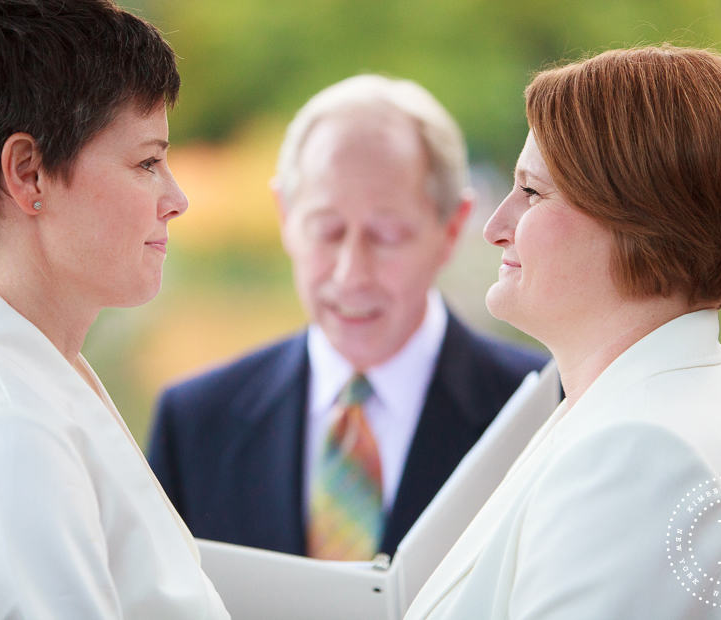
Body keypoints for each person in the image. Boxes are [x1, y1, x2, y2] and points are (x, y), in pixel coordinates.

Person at [405, 45, 721, 619]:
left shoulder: (642, 458)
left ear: (641, 221)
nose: (495, 226)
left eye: (532, 192)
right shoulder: (671, 412)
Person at [0, 1, 228, 617]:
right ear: (30, 173)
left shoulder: (28, 374)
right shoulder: (1, 436)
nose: (176, 199)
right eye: (147, 162)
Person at [148, 75, 549, 561]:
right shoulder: (194, 423)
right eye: (327, 230)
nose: (352, 273)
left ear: (452, 228)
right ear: (285, 216)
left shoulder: (541, 410)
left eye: (386, 235)